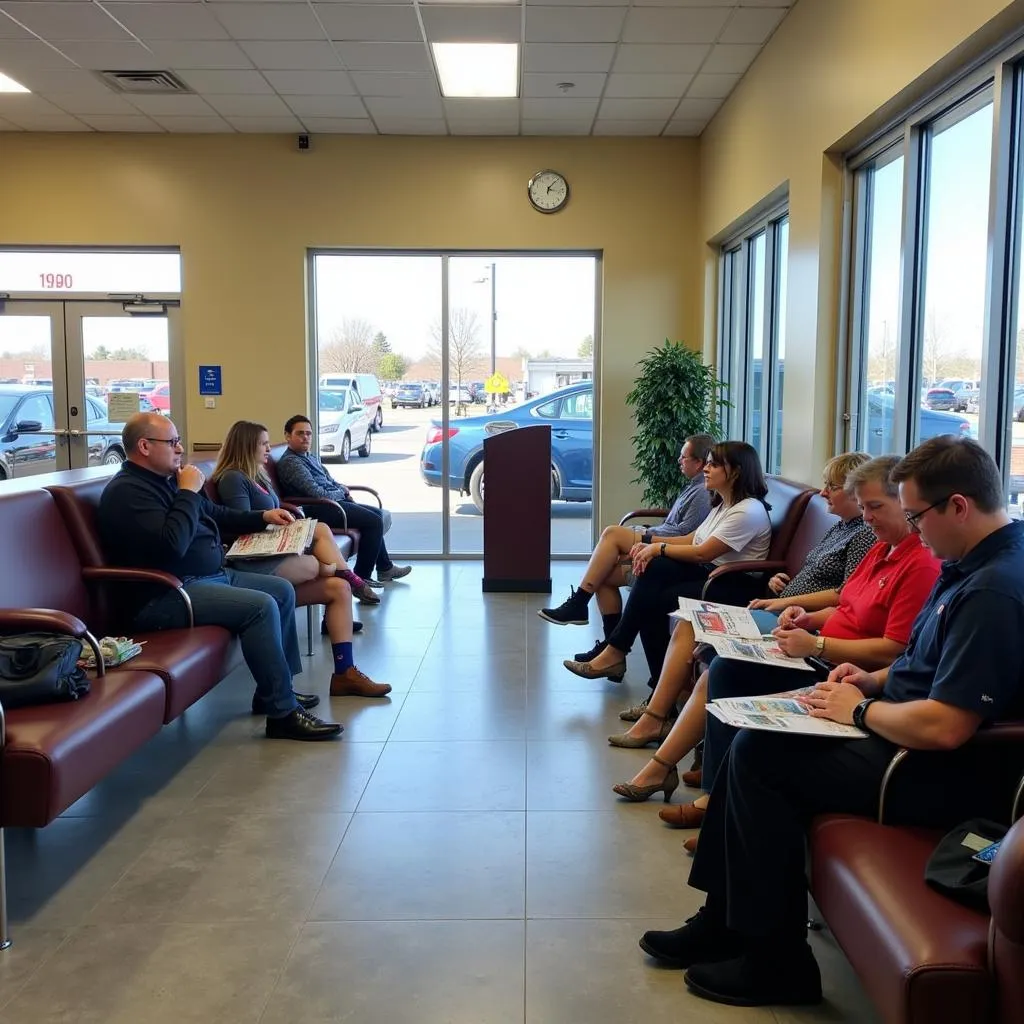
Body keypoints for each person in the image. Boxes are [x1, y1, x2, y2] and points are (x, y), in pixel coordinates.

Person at [639, 436, 1024, 1008]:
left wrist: (863, 709)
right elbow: (921, 664)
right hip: (898, 725)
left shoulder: (992, 589)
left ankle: (778, 962)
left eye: (917, 516)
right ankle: (723, 919)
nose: (914, 531)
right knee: (750, 732)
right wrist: (870, 682)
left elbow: (947, 727)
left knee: (759, 759)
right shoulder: (968, 563)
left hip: (930, 767)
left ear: (959, 507)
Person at [610, 454, 940, 829]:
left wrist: (814, 643)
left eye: (875, 507)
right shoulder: (881, 547)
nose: (867, 517)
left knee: (725, 669)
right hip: (811, 639)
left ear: (907, 504)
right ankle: (704, 783)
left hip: (837, 666)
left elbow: (893, 649)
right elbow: (846, 603)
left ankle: (703, 789)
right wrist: (807, 617)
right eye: (864, 507)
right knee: (721, 663)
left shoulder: (919, 564)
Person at [97, 413, 344, 741]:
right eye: (172, 442)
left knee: (281, 591)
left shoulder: (169, 479)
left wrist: (261, 516)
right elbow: (172, 546)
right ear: (144, 446)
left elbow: (216, 513)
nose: (180, 448)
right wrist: (187, 492)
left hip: (210, 575)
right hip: (168, 594)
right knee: (261, 606)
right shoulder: (127, 493)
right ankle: (282, 714)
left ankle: (275, 690)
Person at [615, 451, 876, 727]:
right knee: (663, 589)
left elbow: (844, 594)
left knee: (680, 613)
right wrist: (781, 578)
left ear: (856, 491)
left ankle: (653, 710)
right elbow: (818, 574)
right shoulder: (840, 528)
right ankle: (656, 707)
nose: (823, 493)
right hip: (781, 602)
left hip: (792, 615)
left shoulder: (862, 535)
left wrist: (783, 602)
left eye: (832, 487)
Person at [555, 441, 773, 682]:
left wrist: (658, 548)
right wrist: (650, 548)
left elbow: (703, 553)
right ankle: (623, 658)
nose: (706, 469)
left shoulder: (747, 511)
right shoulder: (725, 504)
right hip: (710, 574)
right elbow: (693, 538)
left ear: (736, 471)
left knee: (653, 598)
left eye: (713, 464)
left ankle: (622, 658)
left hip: (730, 584)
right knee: (653, 571)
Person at [211, 420, 390, 699]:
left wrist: (286, 523)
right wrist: (273, 523)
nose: (269, 448)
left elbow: (269, 511)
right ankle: (344, 572)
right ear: (247, 446)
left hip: (272, 549)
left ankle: (345, 674)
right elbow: (239, 523)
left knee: (337, 588)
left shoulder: (257, 475)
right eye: (263, 443)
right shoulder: (233, 478)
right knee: (315, 565)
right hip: (252, 562)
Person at [538, 434, 715, 667]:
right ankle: (611, 648)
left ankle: (579, 604)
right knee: (602, 575)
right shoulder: (693, 486)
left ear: (699, 462)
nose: (679, 461)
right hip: (662, 540)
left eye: (684, 457)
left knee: (612, 533)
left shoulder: (702, 492)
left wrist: (648, 538)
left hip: (672, 551)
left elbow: (685, 535)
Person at [276, 415, 410, 587]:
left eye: (309, 434)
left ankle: (385, 568)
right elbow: (316, 493)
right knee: (373, 521)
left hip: (333, 503)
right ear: (288, 436)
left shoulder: (310, 457)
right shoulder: (291, 463)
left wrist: (342, 490)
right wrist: (341, 492)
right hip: (317, 508)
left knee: (377, 515)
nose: (306, 437)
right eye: (300, 433)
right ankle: (363, 575)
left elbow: (329, 481)